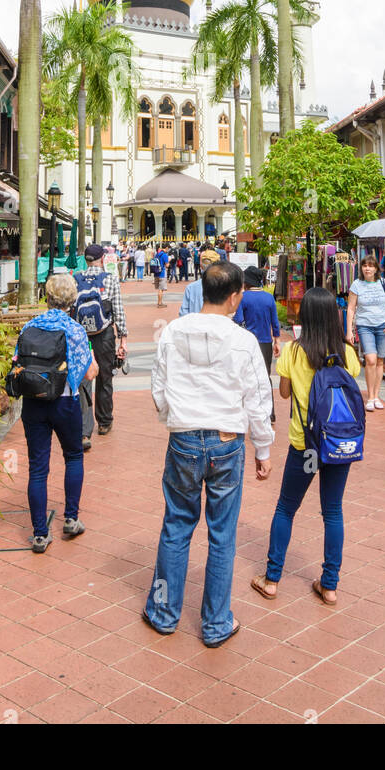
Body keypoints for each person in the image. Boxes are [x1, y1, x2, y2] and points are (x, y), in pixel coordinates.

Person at [145, 261, 273, 646]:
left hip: (184, 438)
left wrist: (176, 416)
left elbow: (158, 388)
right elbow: (258, 397)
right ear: (235, 297)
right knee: (222, 534)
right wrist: (262, 448)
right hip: (226, 439)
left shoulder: (172, 332)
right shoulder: (243, 340)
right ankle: (216, 623)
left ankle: (164, 612)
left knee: (176, 526)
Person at [251, 286, 362, 604]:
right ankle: (330, 585)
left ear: (306, 316)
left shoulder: (293, 352)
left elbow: (284, 394)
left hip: (305, 445)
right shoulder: (347, 354)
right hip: (338, 444)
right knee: (333, 511)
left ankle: (271, 579)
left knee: (287, 507)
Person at [17, 273, 98, 553]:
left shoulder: (29, 325)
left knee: (37, 468)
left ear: (47, 297)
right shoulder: (75, 330)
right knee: (73, 455)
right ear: (72, 300)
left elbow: (17, 362)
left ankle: (40, 534)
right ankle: (71, 518)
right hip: (65, 401)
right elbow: (90, 371)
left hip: (33, 402)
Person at [73, 243, 128, 440]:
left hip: (82, 338)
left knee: (84, 380)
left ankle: (84, 431)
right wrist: (123, 339)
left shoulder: (76, 278)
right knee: (105, 378)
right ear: (102, 259)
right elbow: (118, 311)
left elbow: (72, 309)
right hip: (104, 336)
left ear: (86, 260)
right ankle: (104, 422)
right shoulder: (110, 279)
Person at [346, 254, 385, 412]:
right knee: (371, 359)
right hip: (364, 325)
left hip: (382, 325)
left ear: (376, 268)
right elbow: (351, 308)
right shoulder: (357, 285)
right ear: (361, 268)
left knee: (380, 361)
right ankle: (369, 397)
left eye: (371, 266)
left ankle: (376, 396)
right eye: (365, 265)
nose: (367, 268)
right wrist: (349, 330)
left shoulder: (383, 283)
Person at [233, 266, 281, 423]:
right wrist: (277, 341)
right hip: (266, 342)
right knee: (265, 377)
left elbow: (239, 320)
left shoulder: (243, 297)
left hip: (248, 343)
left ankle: (247, 412)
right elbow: (275, 322)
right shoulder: (269, 298)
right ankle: (271, 412)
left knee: (246, 377)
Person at [178, 246, 223, 316]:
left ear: (201, 265)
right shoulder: (225, 286)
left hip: (194, 325)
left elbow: (183, 313)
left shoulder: (191, 287)